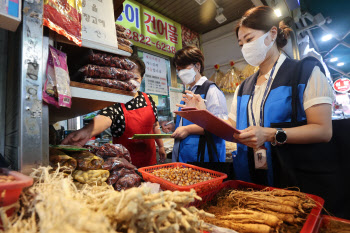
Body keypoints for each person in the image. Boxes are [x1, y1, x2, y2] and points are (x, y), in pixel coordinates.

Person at [181, 6, 334, 188]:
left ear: (272, 33)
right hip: (250, 176)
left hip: (292, 177)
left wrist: (271, 134)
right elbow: (232, 129)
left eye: (249, 39)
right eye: (241, 44)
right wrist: (204, 115)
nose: (245, 48)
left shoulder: (305, 73)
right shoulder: (244, 86)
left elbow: (323, 131)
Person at [62, 55, 166, 168]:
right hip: (125, 165)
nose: (131, 82)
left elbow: (155, 125)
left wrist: (160, 146)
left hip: (150, 160)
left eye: (135, 78)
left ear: (141, 78)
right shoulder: (115, 101)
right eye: (127, 78)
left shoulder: (148, 99)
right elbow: (105, 117)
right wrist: (87, 132)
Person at [172, 46, 228, 163]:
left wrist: (188, 129)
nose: (180, 72)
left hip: (204, 156)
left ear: (197, 66)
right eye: (178, 69)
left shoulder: (211, 90)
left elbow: (221, 126)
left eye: (184, 68)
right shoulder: (189, 92)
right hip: (186, 155)